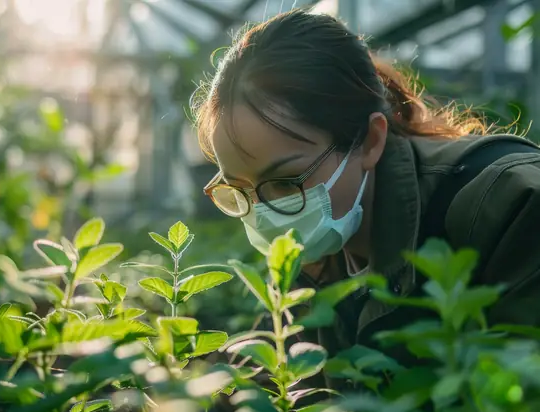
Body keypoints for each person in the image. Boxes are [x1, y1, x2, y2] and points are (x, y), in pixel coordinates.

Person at [190, 9, 540, 369]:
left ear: (371, 141)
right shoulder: (316, 249)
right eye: (240, 190)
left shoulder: (509, 205)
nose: (267, 215)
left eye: (285, 182)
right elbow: (282, 364)